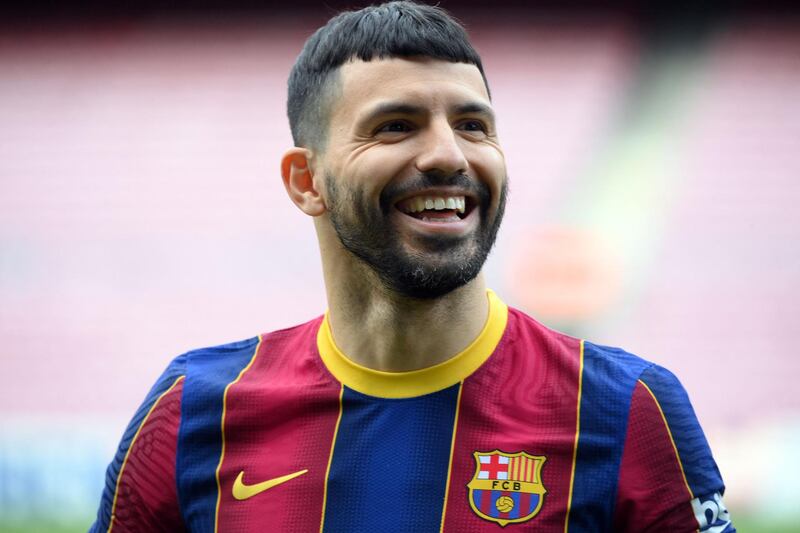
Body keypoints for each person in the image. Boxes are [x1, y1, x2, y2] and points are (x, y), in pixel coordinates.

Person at [90, 2, 734, 532]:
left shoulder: (626, 409)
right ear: (306, 180)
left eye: (474, 125)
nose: (449, 155)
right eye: (396, 126)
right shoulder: (193, 411)